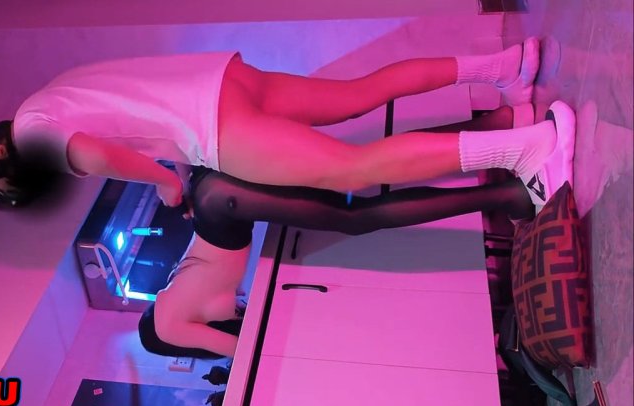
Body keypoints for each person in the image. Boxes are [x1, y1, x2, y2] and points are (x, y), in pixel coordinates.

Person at [137, 103, 572, 358]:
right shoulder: (168, 294)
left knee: (359, 215)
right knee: (367, 163)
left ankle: (511, 195)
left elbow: (243, 349)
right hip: (216, 191)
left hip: (224, 203)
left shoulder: (168, 328)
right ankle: (499, 125)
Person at [0, 37, 575, 212]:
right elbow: (137, 113)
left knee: (354, 171)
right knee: (359, 94)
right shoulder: (49, 96)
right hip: (220, 80)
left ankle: (527, 148)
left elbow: (100, 156)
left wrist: (166, 183)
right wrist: (172, 160)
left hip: (216, 127)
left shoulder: (34, 137)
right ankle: (505, 67)